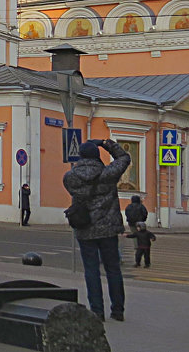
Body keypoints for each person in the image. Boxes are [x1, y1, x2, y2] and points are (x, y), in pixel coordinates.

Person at [63, 138, 131, 322]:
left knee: (91, 270)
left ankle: (97, 311)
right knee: (113, 270)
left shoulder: (70, 177)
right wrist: (106, 144)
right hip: (108, 229)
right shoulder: (107, 174)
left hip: (85, 228)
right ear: (97, 155)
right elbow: (124, 158)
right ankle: (118, 311)